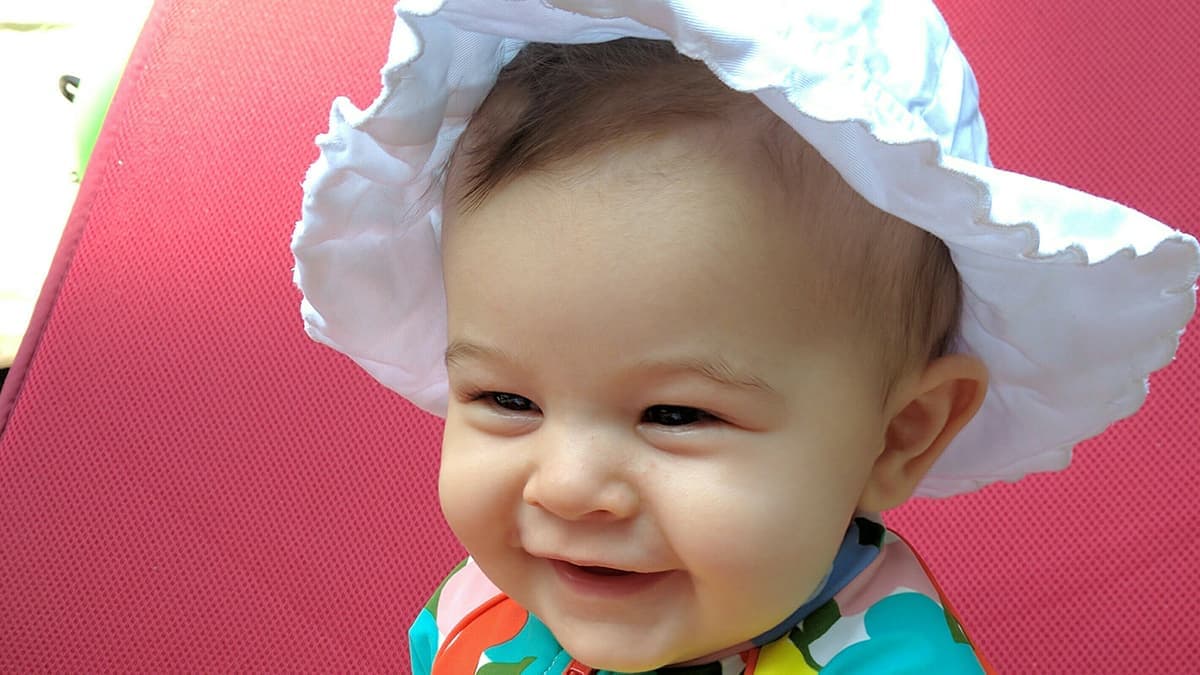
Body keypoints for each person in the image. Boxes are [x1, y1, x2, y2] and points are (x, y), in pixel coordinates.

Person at [291, 2, 1200, 673]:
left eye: (676, 413)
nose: (567, 486)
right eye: (507, 399)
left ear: (900, 432)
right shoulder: (485, 608)